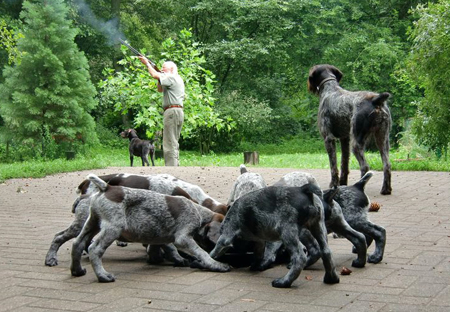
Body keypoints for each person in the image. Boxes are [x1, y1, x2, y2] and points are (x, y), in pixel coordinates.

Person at [139, 57, 185, 166]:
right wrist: (159, 76)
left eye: (165, 68)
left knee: (169, 142)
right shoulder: (175, 78)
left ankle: (171, 168)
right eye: (162, 68)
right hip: (177, 111)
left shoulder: (171, 77)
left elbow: (154, 75)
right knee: (173, 141)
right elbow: (159, 89)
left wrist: (147, 64)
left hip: (171, 112)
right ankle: (175, 166)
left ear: (172, 69)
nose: (163, 70)